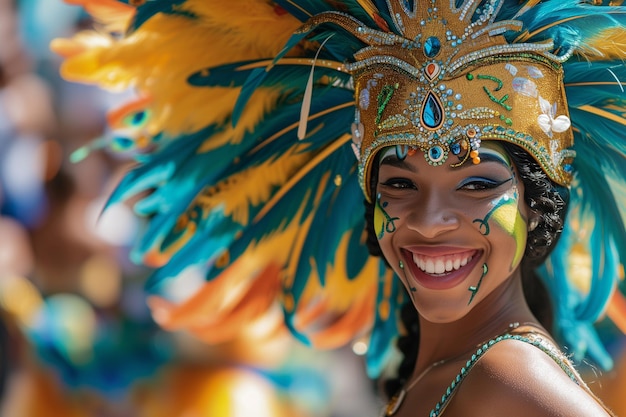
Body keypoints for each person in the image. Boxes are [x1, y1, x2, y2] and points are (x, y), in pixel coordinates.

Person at [54, 0, 626, 416]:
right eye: (400, 184)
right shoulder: (463, 369)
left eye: (475, 184)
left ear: (537, 202)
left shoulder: (509, 377)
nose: (428, 219)